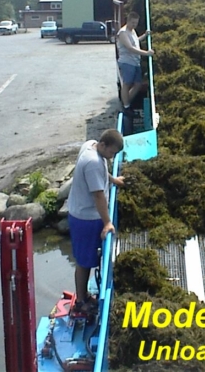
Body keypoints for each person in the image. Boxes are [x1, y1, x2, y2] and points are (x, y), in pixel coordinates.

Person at [67, 129, 125, 313]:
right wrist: (107, 222)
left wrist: (113, 180)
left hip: (80, 212)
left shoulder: (90, 145)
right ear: (102, 145)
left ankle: (83, 295)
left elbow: (101, 173)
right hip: (85, 218)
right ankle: (80, 301)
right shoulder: (92, 162)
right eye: (111, 153)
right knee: (84, 262)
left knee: (86, 259)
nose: (111, 157)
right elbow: (98, 196)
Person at [117, 11, 154, 116]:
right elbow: (130, 47)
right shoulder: (123, 32)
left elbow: (135, 42)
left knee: (138, 84)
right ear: (128, 21)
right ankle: (126, 106)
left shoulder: (132, 31)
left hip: (135, 62)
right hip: (127, 62)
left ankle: (127, 103)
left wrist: (145, 35)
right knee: (127, 84)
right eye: (133, 23)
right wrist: (146, 53)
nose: (134, 25)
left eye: (136, 23)